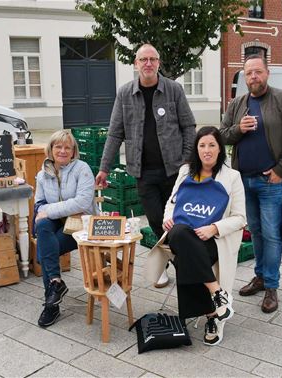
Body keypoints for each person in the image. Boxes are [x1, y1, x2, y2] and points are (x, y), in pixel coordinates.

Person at [95, 43, 196, 288]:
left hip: (174, 171)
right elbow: (114, 133)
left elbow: (189, 127)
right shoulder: (124, 93)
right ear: (136, 63)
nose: (148, 63)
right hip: (143, 172)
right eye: (143, 59)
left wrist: (185, 161)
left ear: (158, 63)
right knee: (156, 221)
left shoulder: (173, 90)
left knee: (178, 221)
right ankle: (175, 263)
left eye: (152, 59)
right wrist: (104, 168)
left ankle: (177, 265)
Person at [145, 126, 246, 346]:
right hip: (183, 233)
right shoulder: (186, 172)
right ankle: (217, 296)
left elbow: (240, 218)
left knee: (184, 258)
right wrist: (167, 218)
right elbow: (172, 203)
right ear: (196, 149)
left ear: (220, 149)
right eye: (202, 145)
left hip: (213, 239)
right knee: (179, 232)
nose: (207, 150)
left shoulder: (232, 177)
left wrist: (214, 228)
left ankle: (212, 314)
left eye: (212, 145)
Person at [220, 55, 282, 313]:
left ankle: (271, 285)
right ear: (244, 78)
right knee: (255, 231)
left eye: (258, 72)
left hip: (270, 181)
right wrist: (239, 129)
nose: (253, 77)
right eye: (249, 74)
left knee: (270, 233)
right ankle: (260, 276)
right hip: (243, 181)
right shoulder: (238, 103)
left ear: (267, 73)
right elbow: (222, 134)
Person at [34, 130, 98, 327]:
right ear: (51, 149)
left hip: (81, 223)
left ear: (73, 151)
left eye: (67, 147)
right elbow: (38, 206)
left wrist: (48, 210)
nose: (62, 151)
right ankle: (55, 282)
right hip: (56, 222)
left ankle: (51, 304)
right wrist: (46, 212)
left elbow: (82, 202)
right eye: (58, 146)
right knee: (43, 225)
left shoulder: (82, 169)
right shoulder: (43, 174)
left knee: (46, 251)